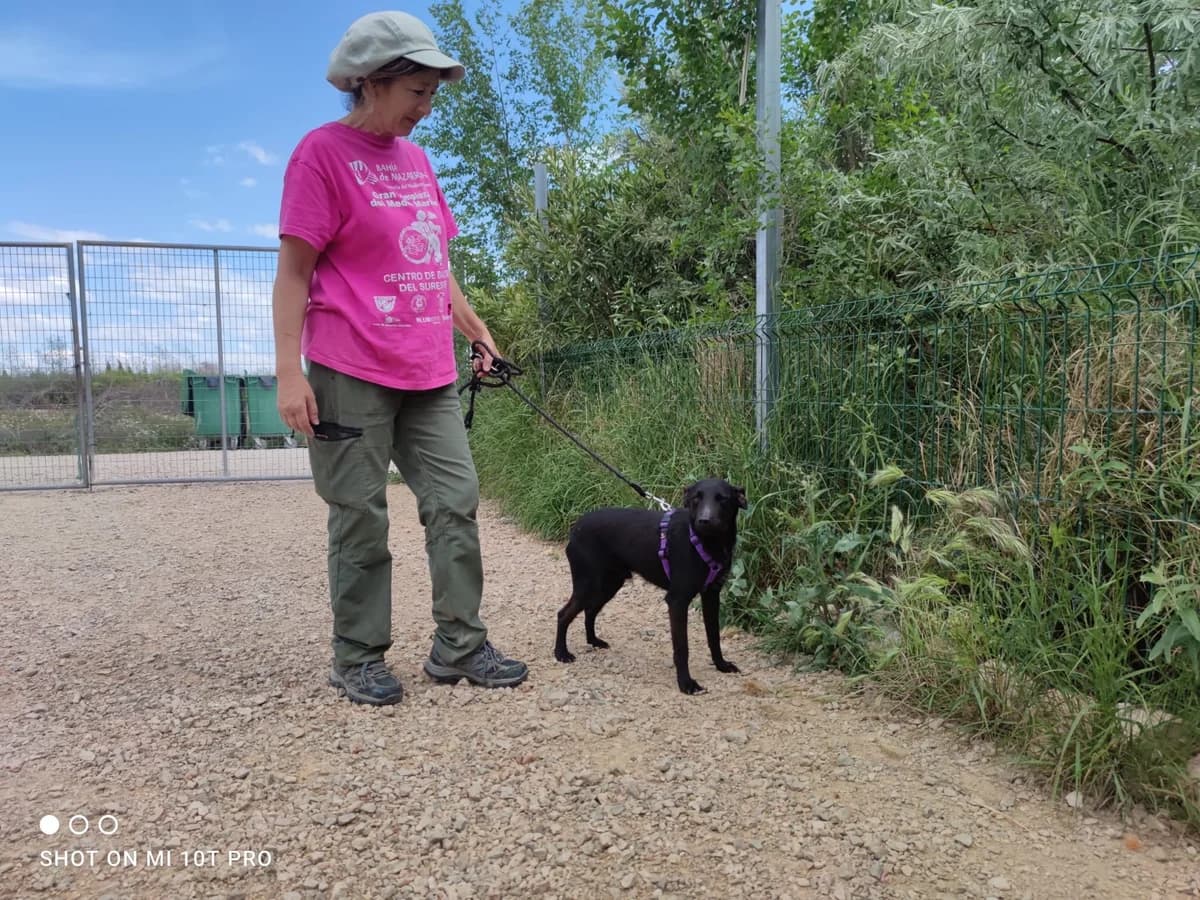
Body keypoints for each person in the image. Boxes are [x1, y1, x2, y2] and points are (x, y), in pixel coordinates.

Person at [271, 10, 528, 706]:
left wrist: (476, 330)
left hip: (428, 368)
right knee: (360, 513)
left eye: (432, 94)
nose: (426, 109)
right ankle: (357, 655)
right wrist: (289, 372)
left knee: (456, 501)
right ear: (371, 84)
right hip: (348, 367)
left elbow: (433, 262)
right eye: (416, 92)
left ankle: (460, 646)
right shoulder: (319, 155)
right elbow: (294, 272)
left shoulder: (415, 161)